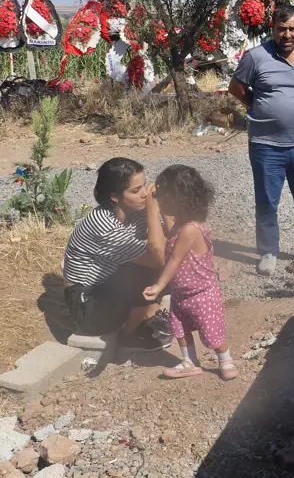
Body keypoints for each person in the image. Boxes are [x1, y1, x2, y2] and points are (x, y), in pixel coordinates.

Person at [228, 3, 294, 276]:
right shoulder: (256, 57)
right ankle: (268, 252)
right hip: (266, 146)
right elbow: (236, 87)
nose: (287, 34)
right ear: (272, 29)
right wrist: (257, 106)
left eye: (292, 29)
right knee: (267, 203)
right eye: (281, 29)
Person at [62, 158, 171, 351]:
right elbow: (157, 259)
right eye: (135, 191)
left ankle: (144, 315)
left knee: (173, 264)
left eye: (144, 185)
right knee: (145, 271)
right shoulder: (103, 226)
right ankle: (130, 334)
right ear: (115, 197)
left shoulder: (131, 211)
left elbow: (171, 238)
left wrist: (161, 205)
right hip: (89, 307)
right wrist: (153, 211)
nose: (145, 194)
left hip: (105, 288)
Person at [142, 165, 237, 381]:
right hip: (181, 293)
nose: (161, 201)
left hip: (201, 294)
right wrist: (154, 202)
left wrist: (158, 286)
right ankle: (189, 361)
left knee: (212, 331)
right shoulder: (180, 225)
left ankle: (225, 359)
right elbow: (168, 224)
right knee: (180, 330)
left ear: (177, 200)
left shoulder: (191, 230)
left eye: (163, 197)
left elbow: (175, 259)